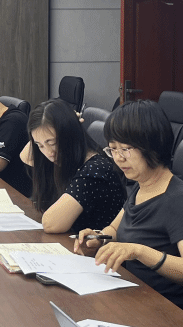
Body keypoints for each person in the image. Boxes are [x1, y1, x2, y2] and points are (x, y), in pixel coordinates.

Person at [73, 100, 183, 313]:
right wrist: (98, 238)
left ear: (151, 145)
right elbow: (115, 229)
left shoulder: (179, 200)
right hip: (139, 299)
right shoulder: (142, 185)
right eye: (113, 149)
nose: (118, 158)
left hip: (176, 313)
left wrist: (139, 251)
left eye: (125, 149)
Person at [19, 98, 126, 234]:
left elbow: (51, 224)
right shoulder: (64, 158)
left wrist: (67, 124)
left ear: (69, 134)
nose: (48, 152)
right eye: (40, 145)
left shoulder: (95, 169)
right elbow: (25, 157)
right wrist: (41, 134)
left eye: (52, 143)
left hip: (96, 244)